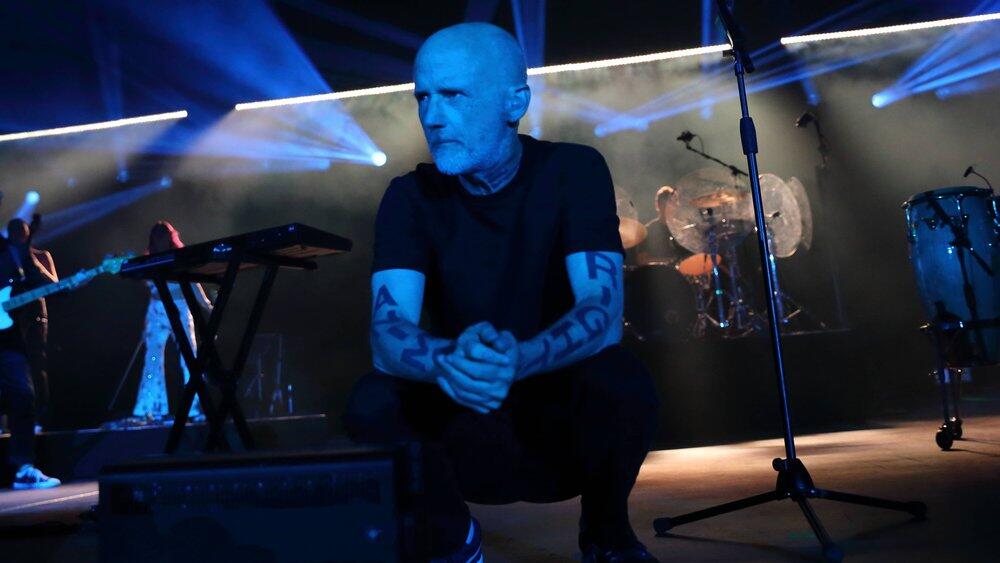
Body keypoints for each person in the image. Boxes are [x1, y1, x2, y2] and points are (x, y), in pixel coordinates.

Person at [343, 23, 659, 562]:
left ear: (515, 103)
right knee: (372, 400)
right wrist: (447, 361)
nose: (432, 116)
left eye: (454, 95)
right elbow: (387, 332)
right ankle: (453, 540)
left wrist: (520, 359)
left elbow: (602, 312)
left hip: (554, 421)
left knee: (622, 380)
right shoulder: (410, 196)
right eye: (423, 98)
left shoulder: (573, 169)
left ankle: (606, 535)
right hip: (461, 417)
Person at [130, 221, 211, 423]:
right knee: (153, 359)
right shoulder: (149, 260)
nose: (161, 241)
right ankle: (150, 408)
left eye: (164, 236)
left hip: (180, 308)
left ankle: (195, 407)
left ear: (170, 237)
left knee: (189, 358)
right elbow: (151, 289)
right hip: (157, 311)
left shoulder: (180, 257)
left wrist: (206, 305)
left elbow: (193, 282)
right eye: (157, 237)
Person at [0, 220, 60, 489]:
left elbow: (47, 285)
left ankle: (24, 468)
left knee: (24, 395)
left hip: (12, 335)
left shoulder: (14, 253)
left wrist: (27, 256)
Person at [7, 217, 56, 431]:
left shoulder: (41, 256)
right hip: (10, 320)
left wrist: (30, 259)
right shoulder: (6, 258)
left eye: (22, 232)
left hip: (35, 316)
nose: (18, 236)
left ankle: (39, 418)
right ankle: (10, 420)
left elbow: (54, 285)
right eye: (14, 233)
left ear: (28, 234)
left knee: (35, 365)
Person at [633, 186, 688, 267]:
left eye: (674, 202)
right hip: (658, 272)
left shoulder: (684, 228)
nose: (671, 206)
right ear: (658, 205)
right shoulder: (648, 231)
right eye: (666, 203)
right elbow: (642, 260)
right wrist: (670, 261)